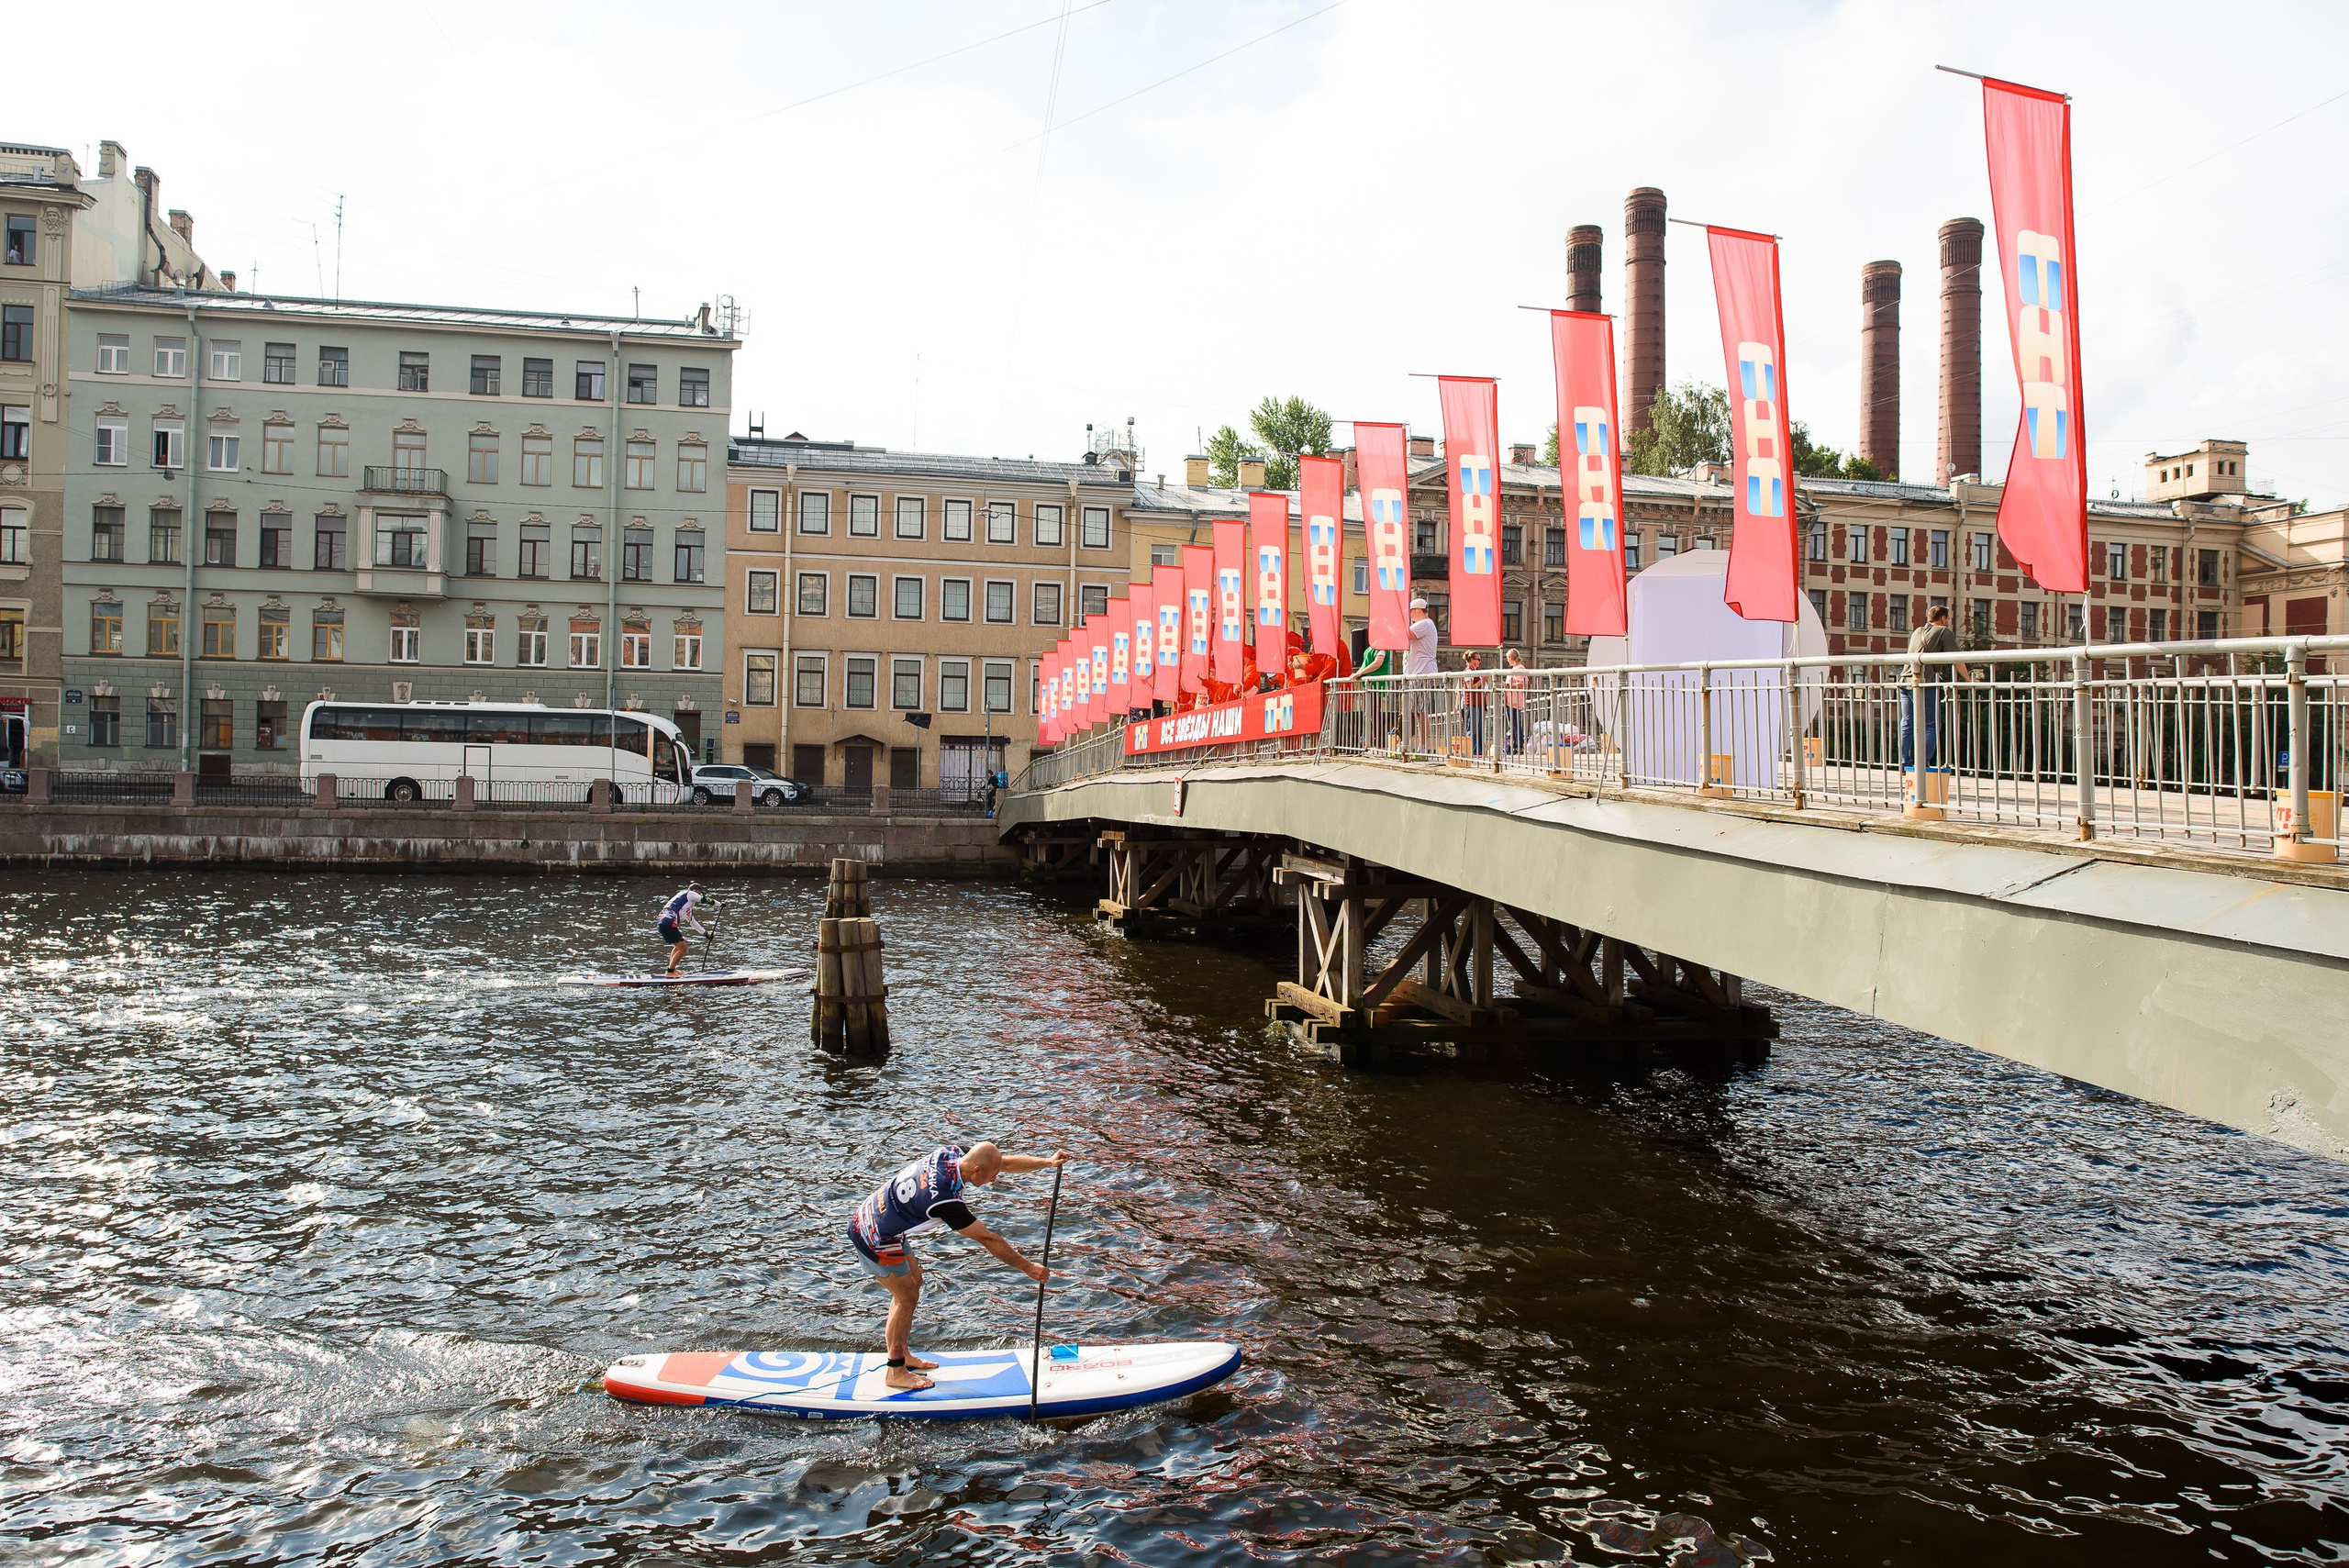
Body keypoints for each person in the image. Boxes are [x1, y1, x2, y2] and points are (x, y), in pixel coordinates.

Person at [848, 1140, 1068, 1391]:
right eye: (991, 1176)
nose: (993, 1180)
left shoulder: (952, 1153)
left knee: (914, 1284)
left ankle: (902, 1353)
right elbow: (988, 1239)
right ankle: (895, 1371)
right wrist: (1029, 1268)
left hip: (886, 1219)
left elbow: (1001, 1161)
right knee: (906, 1297)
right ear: (976, 1171)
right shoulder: (945, 1200)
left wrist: (1047, 1162)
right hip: (873, 1234)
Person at [1899, 605, 1972, 790]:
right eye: (1948, 619)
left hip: (1904, 681)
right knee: (1931, 724)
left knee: (1907, 722)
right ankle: (1922, 763)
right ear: (1944, 618)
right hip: (1923, 682)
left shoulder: (1917, 631)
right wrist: (1968, 679)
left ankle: (1904, 762)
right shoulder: (1944, 632)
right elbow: (1957, 658)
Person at [656, 882, 708, 974]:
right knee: (683, 948)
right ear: (695, 891)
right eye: (699, 893)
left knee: (678, 946)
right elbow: (704, 900)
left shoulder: (684, 901)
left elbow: (692, 921)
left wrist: (705, 933)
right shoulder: (689, 893)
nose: (699, 895)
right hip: (668, 923)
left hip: (664, 922)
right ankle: (670, 972)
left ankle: (672, 969)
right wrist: (719, 904)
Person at [1461, 651, 1490, 760]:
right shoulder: (1468, 671)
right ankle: (1472, 751)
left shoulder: (1475, 671)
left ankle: (1479, 751)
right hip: (1471, 703)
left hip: (1479, 703)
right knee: (1472, 728)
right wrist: (1482, 680)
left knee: (1479, 728)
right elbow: (1470, 688)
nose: (1479, 662)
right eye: (1478, 659)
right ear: (1471, 660)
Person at [1502, 648, 1530, 757]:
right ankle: (1515, 745)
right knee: (1513, 724)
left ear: (1511, 657)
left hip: (1515, 701)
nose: (1507, 660)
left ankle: (1518, 746)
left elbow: (1522, 683)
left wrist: (1509, 686)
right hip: (1511, 700)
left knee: (1515, 725)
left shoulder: (1519, 668)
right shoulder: (1515, 668)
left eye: (1508, 657)